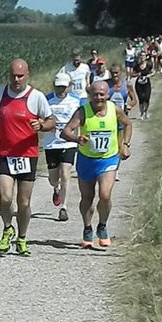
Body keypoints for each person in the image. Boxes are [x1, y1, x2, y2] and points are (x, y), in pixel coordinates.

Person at [0, 58, 55, 256]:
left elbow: (52, 122)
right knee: (5, 198)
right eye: (13, 76)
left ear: (27, 75)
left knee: (23, 202)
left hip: (27, 154)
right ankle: (8, 228)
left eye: (20, 76)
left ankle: (22, 238)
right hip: (6, 153)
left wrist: (41, 126)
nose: (16, 80)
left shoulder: (37, 97)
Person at [61, 81, 132, 248]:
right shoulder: (83, 111)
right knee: (87, 197)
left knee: (105, 194)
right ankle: (87, 228)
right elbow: (65, 131)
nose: (98, 97)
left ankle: (102, 225)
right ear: (89, 95)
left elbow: (128, 124)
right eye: (95, 94)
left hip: (108, 159)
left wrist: (125, 145)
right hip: (86, 160)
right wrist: (77, 138)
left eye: (102, 94)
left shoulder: (114, 109)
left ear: (107, 95)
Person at [44, 72, 81, 221]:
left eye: (64, 87)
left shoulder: (77, 101)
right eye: (59, 87)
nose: (61, 90)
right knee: (53, 178)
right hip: (51, 144)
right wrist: (45, 125)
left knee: (66, 174)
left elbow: (82, 119)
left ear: (69, 87)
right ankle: (56, 189)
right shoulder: (47, 100)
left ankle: (64, 207)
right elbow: (40, 117)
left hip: (69, 142)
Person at [133, 52, 154, 120]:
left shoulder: (149, 64)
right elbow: (132, 74)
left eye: (143, 56)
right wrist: (137, 75)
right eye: (141, 56)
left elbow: (153, 72)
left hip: (147, 83)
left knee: (147, 98)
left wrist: (149, 75)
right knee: (141, 99)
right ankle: (141, 113)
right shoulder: (137, 66)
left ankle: (146, 112)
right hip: (139, 83)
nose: (142, 57)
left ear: (145, 57)